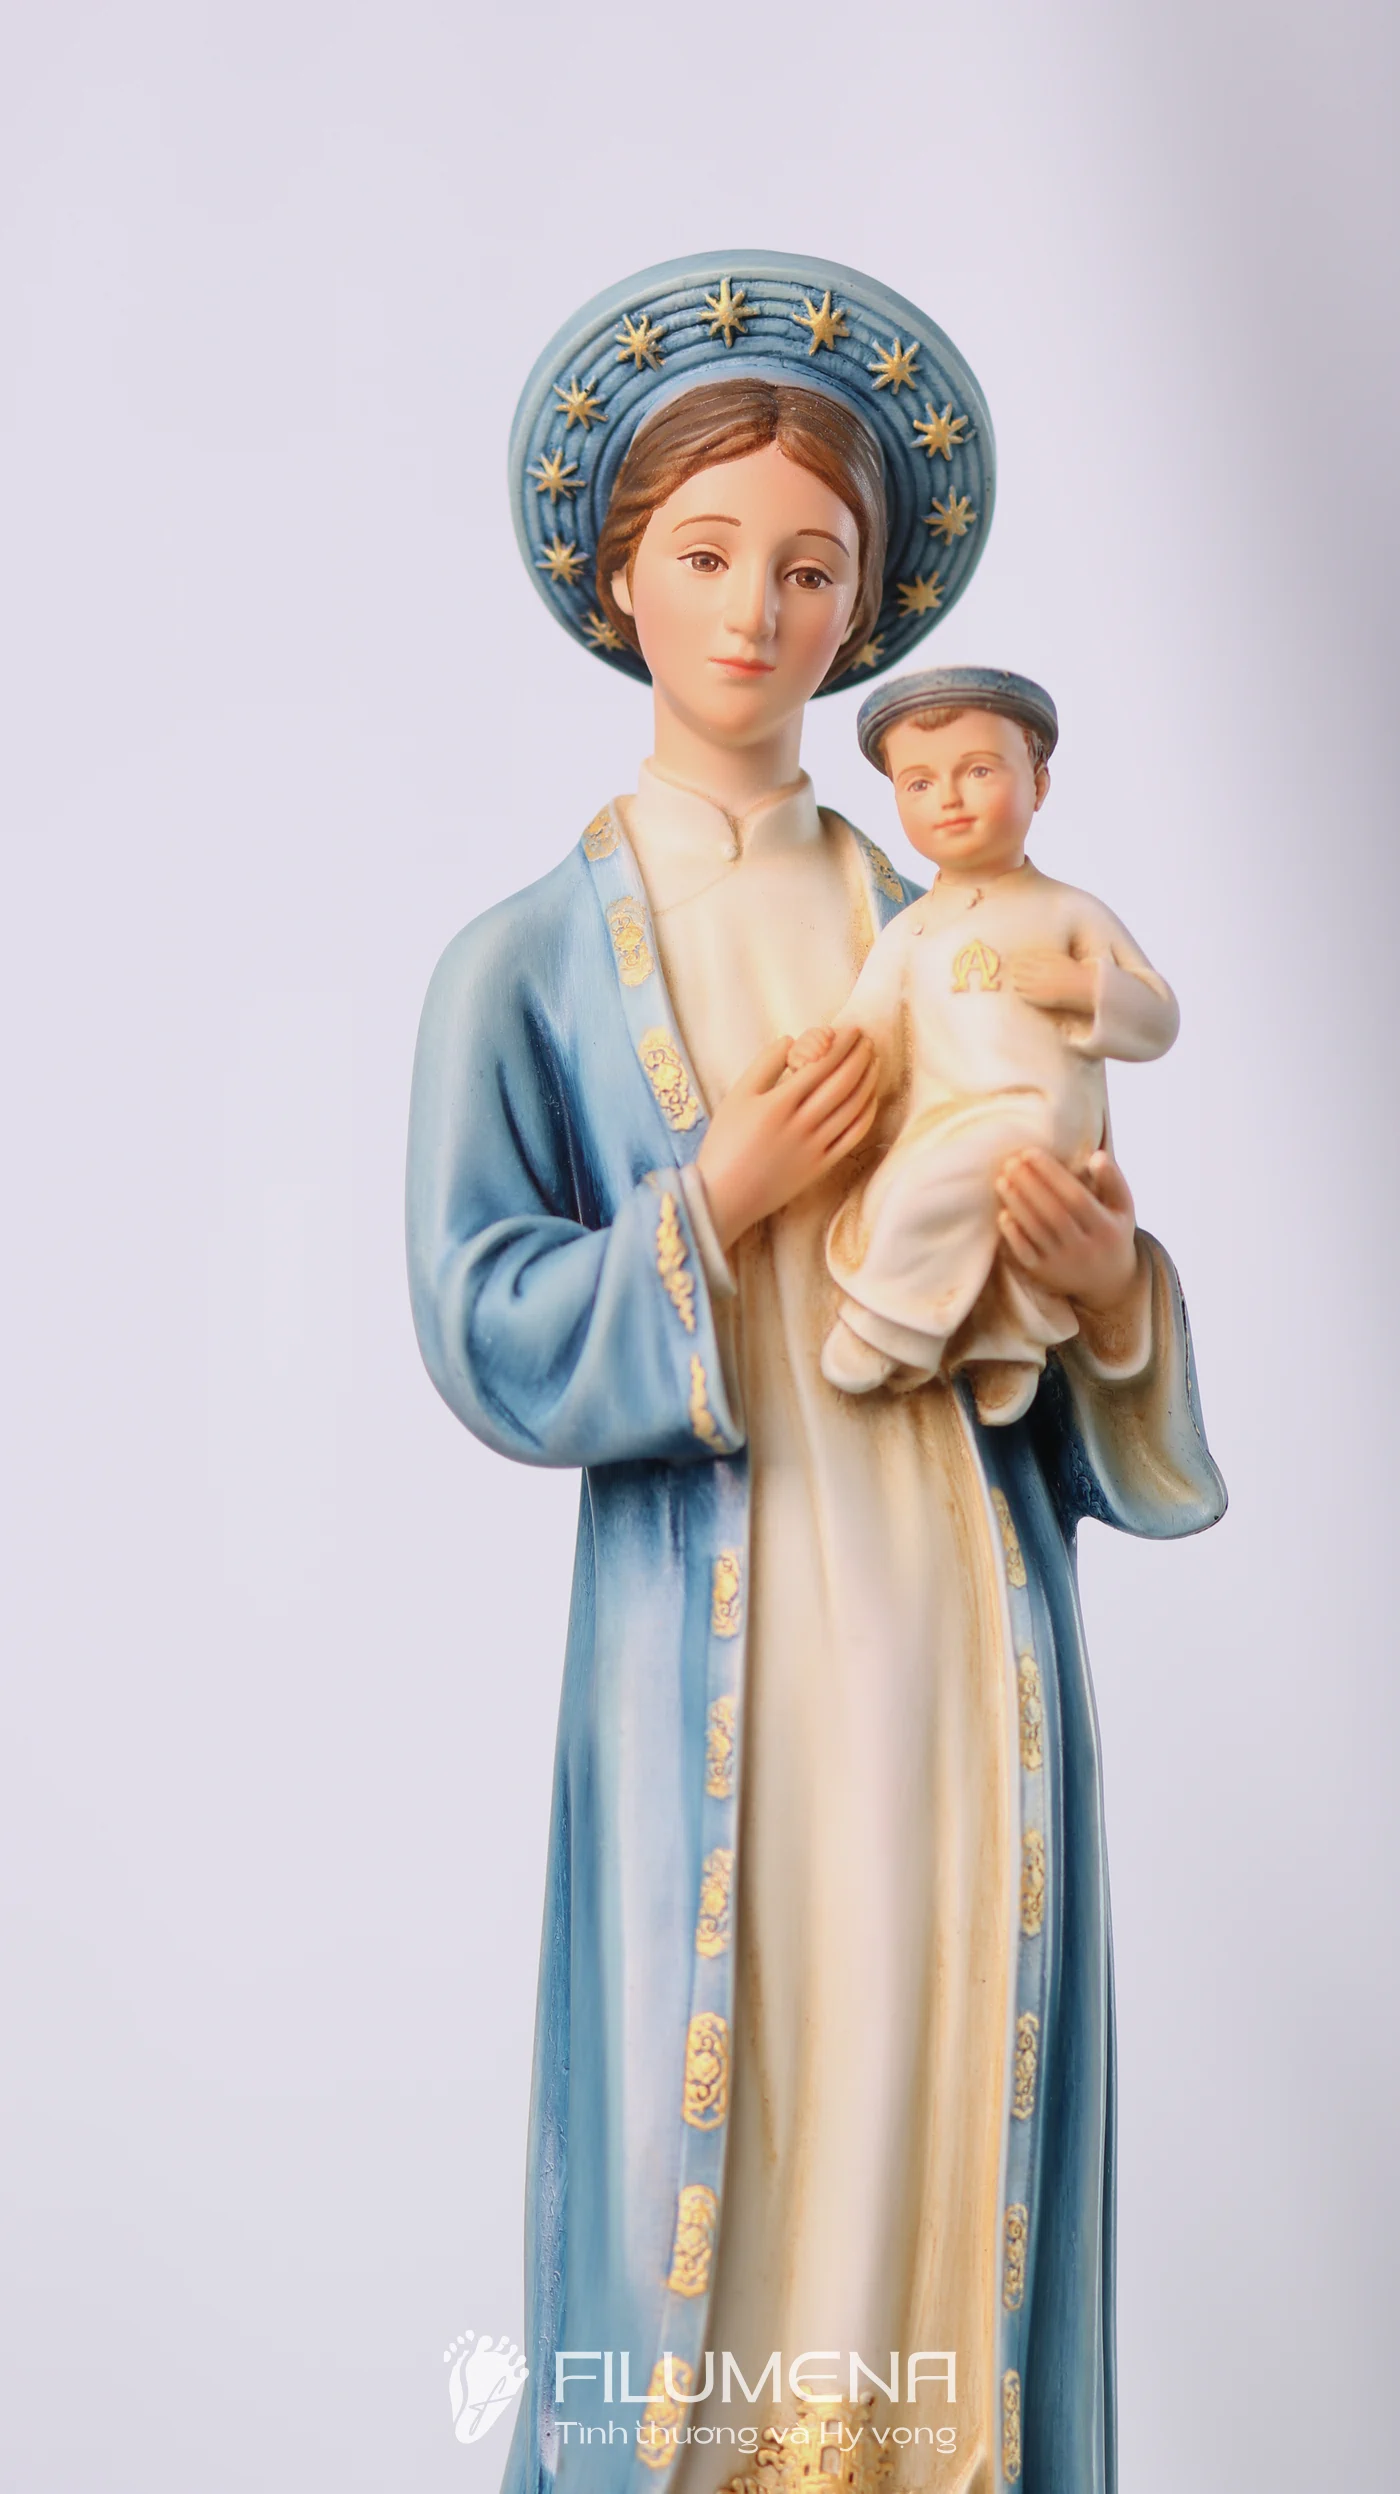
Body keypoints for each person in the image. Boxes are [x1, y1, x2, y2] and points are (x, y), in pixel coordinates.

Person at [406, 255, 1225, 2494]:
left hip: (953, 1611)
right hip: (717, 1637)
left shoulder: (949, 920)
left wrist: (1109, 1291)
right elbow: (483, 1315)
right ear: (618, 581)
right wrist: (717, 1193)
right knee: (732, 2092)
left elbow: (1071, 1303)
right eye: (705, 556)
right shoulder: (526, 964)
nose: (754, 611)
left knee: (934, 2071)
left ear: (867, 608)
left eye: (807, 566)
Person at [790, 669, 1178, 1422]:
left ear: (1039, 783)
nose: (950, 799)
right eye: (919, 783)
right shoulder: (913, 929)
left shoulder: (1067, 912)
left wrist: (1087, 988)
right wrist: (825, 1048)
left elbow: (1158, 1016)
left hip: (1042, 1111)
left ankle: (883, 1328)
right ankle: (1002, 1347)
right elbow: (869, 1024)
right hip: (944, 1118)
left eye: (977, 772)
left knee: (939, 1185)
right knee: (908, 1189)